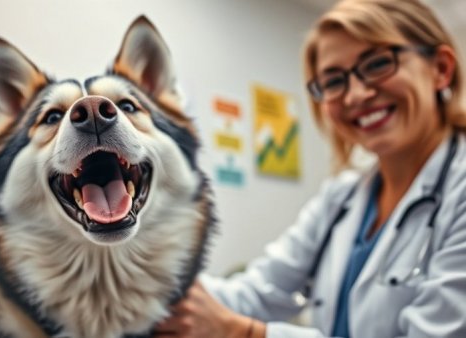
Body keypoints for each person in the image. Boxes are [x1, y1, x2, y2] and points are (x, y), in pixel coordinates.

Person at [153, 0, 466, 337]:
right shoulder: (342, 198)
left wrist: (243, 333)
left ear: (441, 69)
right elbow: (257, 292)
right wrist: (144, 284)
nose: (356, 95)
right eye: (334, 81)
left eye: (377, 64)